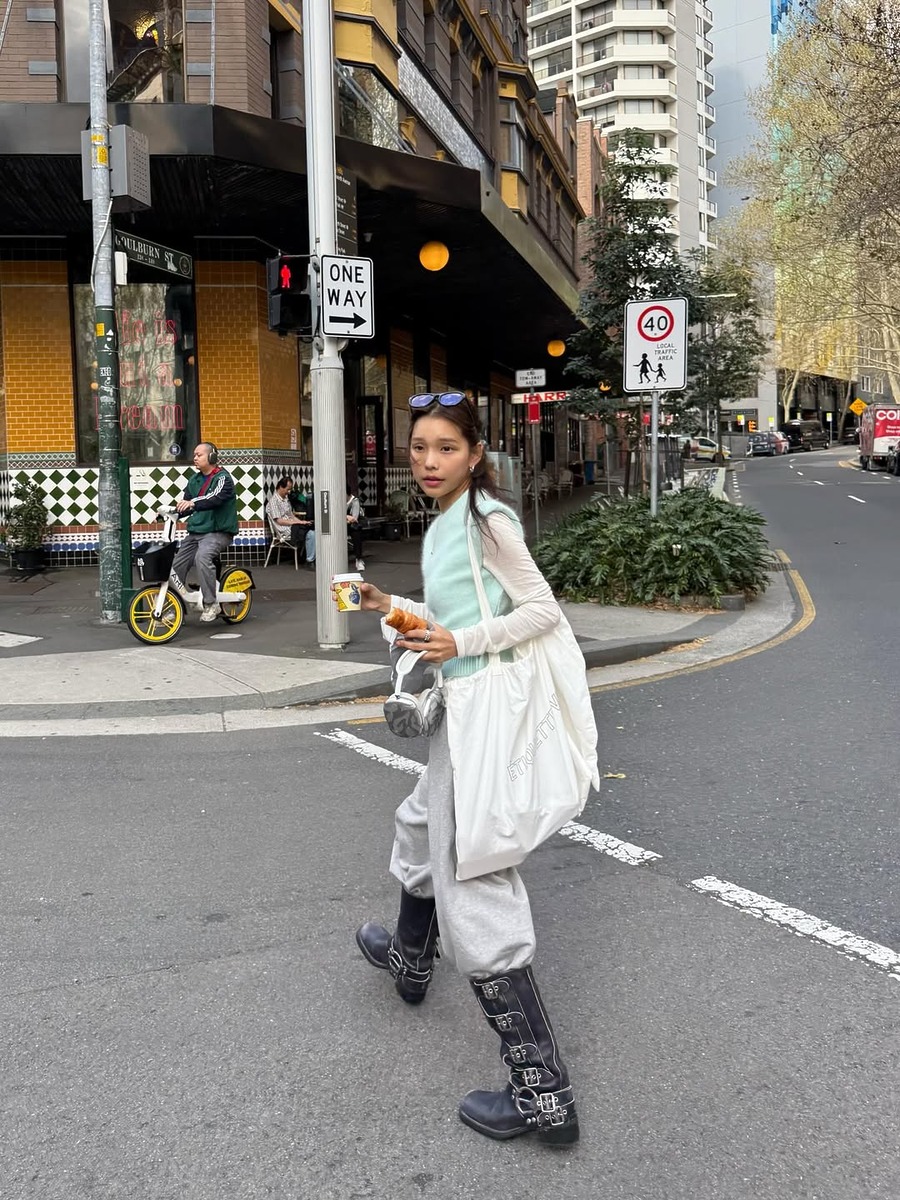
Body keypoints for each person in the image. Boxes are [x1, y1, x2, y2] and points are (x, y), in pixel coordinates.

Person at [348, 391, 579, 1146]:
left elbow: (541, 610)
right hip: (462, 715)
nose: (429, 461)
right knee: (419, 824)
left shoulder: (487, 520)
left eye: (446, 448)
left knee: (473, 879)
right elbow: (452, 618)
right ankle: (413, 958)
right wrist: (390, 606)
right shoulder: (449, 521)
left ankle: (543, 1093)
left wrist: (464, 644)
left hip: (485, 720)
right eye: (419, 447)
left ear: (475, 455)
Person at [170, 442, 238, 621]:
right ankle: (173, 606)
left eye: (199, 455)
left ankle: (211, 604)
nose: (195, 458)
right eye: (194, 455)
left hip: (218, 532)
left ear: (212, 457)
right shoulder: (194, 480)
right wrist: (168, 512)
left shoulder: (223, 478)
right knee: (175, 566)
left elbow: (214, 498)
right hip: (196, 532)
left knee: (202, 557)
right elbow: (186, 505)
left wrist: (192, 503)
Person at [266, 476, 315, 565]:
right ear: (281, 487)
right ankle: (310, 560)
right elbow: (279, 521)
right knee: (311, 534)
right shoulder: (273, 502)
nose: (289, 492)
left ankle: (309, 557)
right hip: (283, 529)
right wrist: (298, 522)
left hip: (291, 525)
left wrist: (302, 522)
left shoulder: (286, 500)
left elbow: (291, 516)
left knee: (311, 528)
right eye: (287, 489)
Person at [346, 485, 365, 571]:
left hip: (351, 526)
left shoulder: (355, 501)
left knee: (356, 534)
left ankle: (359, 559)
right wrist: (346, 517)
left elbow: (354, 518)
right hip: (340, 525)